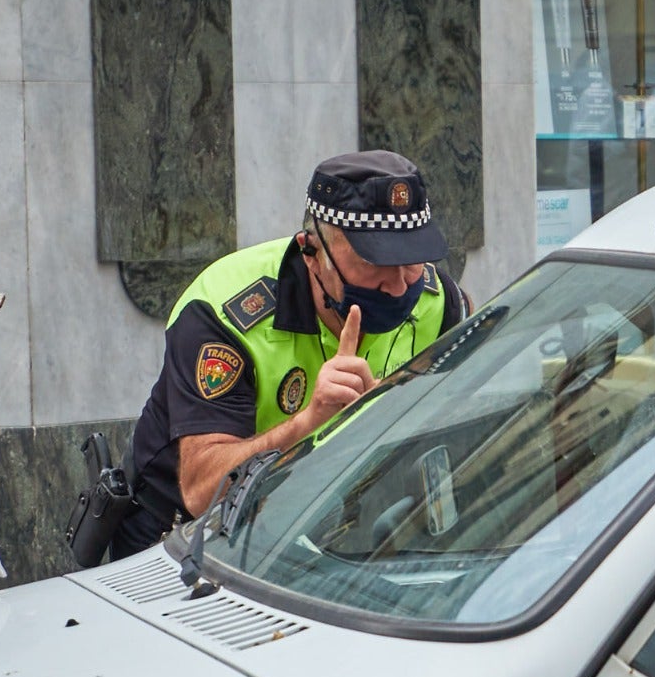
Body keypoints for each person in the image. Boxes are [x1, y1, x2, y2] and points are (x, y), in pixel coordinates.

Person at [110, 150, 472, 560]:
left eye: (411, 257)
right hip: (181, 538)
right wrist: (309, 422)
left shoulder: (439, 303)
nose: (398, 284)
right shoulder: (223, 311)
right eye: (375, 261)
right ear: (312, 252)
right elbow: (200, 489)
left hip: (312, 527)